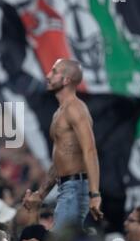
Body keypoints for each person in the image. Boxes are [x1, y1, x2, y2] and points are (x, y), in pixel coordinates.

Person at [24, 59, 103, 231]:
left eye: (54, 72)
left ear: (66, 80)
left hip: (75, 189)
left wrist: (94, 193)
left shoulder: (75, 109)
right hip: (67, 188)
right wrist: (41, 194)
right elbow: (59, 161)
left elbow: (90, 150)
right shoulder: (59, 112)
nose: (47, 75)